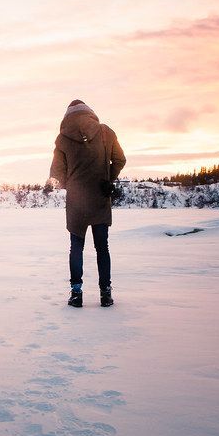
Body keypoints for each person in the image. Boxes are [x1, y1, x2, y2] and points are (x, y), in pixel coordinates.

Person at [49, 100, 126, 308]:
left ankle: (76, 294)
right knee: (102, 247)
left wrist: (70, 185)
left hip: (76, 202)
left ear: (67, 116)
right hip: (100, 197)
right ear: (90, 112)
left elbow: (57, 172)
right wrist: (107, 179)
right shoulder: (105, 132)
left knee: (76, 247)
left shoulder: (62, 139)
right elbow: (120, 160)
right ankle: (105, 294)